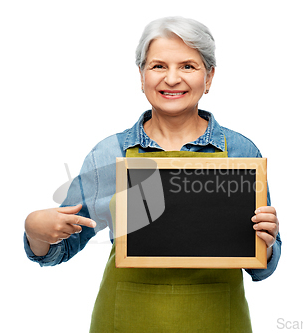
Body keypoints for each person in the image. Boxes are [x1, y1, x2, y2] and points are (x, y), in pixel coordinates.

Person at [24, 16, 281, 332]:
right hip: (125, 319)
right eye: (158, 66)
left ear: (209, 77)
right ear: (142, 75)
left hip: (217, 319)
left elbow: (263, 267)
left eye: (188, 66)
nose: (172, 79)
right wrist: (36, 231)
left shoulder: (241, 151)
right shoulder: (110, 153)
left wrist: (265, 244)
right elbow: (60, 249)